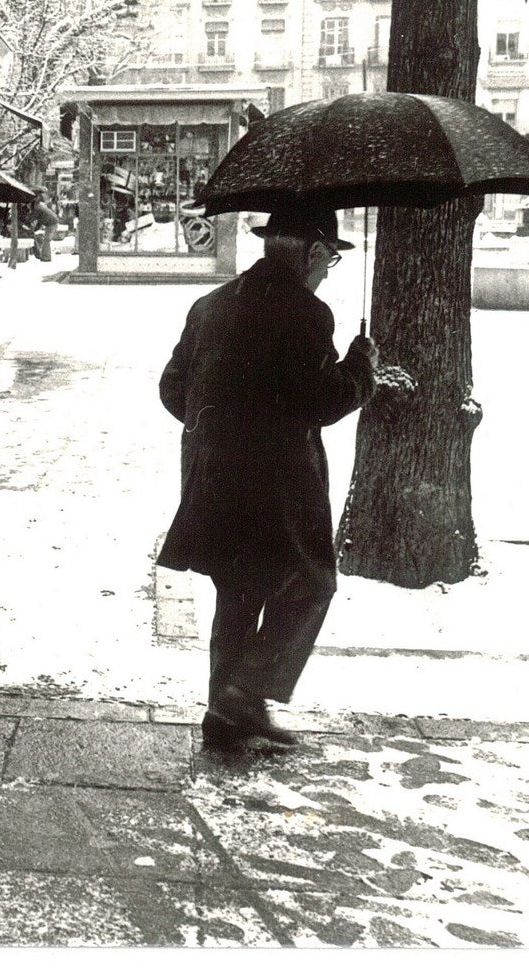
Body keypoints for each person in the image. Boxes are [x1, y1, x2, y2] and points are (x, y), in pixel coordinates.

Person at [158, 205, 378, 751]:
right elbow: (322, 402)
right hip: (279, 480)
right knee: (311, 581)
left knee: (237, 588)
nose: (328, 269)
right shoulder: (306, 314)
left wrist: (217, 426)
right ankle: (245, 693)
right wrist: (360, 368)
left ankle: (225, 713)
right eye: (329, 257)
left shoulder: (210, 305)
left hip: (211, 474)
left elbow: (171, 386)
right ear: (311, 251)